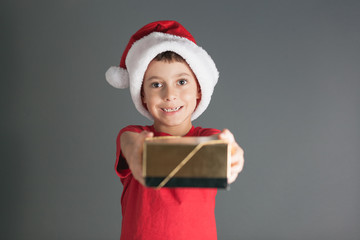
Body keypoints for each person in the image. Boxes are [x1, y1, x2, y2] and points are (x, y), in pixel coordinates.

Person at [106, 20, 244, 240]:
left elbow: (222, 152)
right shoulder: (132, 134)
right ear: (142, 95)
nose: (169, 95)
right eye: (156, 84)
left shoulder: (207, 136)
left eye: (181, 82)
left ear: (199, 89)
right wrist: (139, 155)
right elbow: (132, 149)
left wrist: (231, 155)